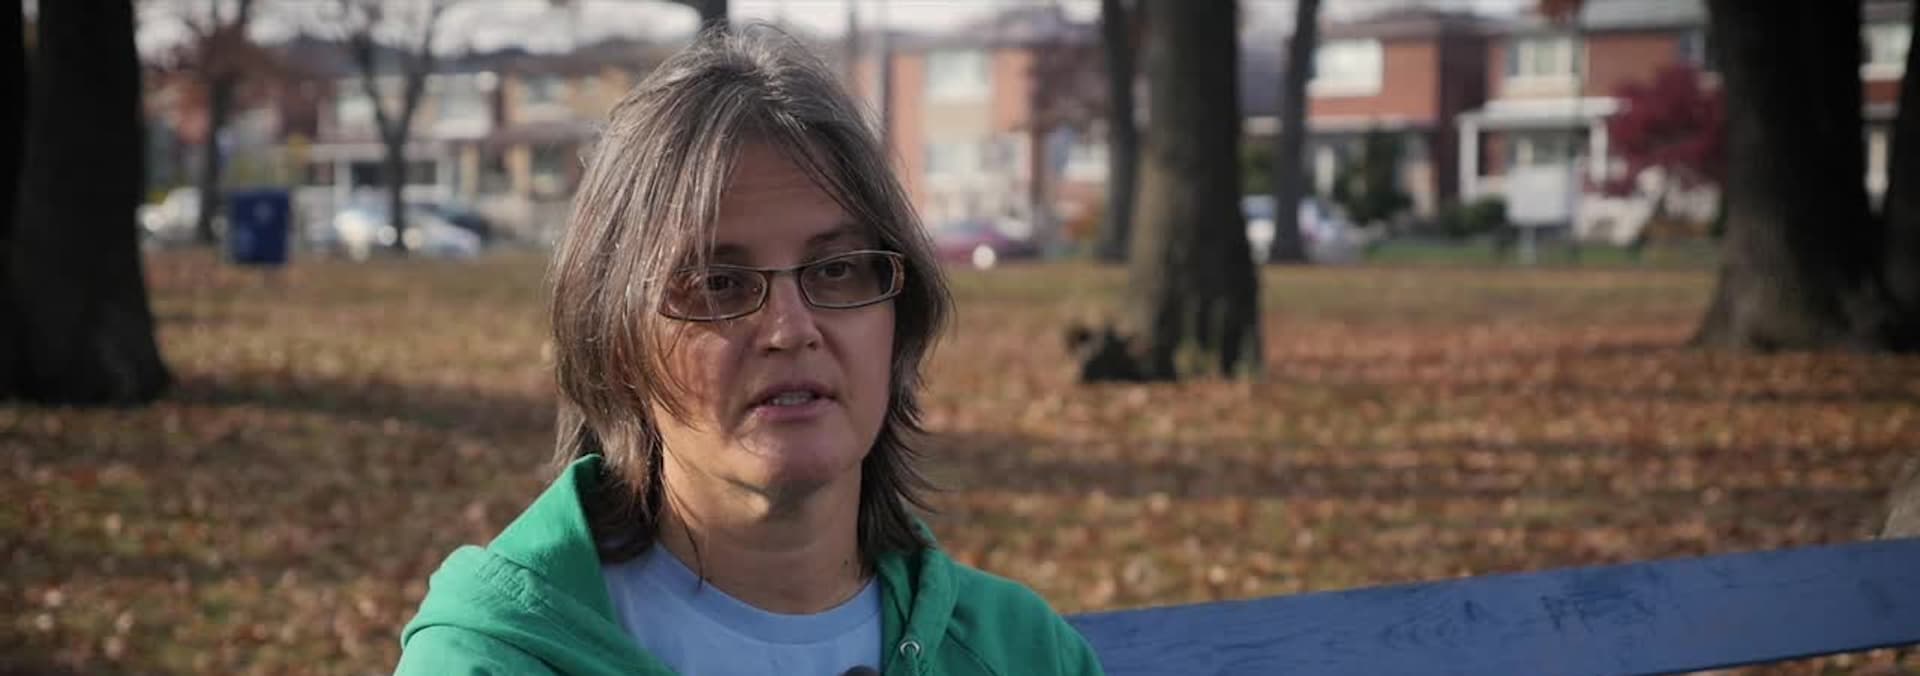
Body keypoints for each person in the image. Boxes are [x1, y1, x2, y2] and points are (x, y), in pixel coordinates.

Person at [394, 24, 1104, 676]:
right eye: (718, 284)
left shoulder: (1019, 652)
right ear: (618, 348)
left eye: (837, 270)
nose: (790, 329)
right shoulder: (489, 661)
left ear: (899, 320)